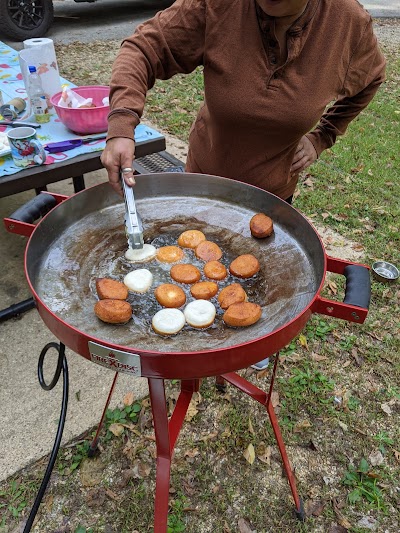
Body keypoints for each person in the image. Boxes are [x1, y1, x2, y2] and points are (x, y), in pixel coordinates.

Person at [101, 0, 385, 369]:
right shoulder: (219, 5)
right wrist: (121, 123)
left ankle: (248, 345)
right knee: (194, 257)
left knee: (256, 280)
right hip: (206, 182)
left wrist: (322, 137)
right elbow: (143, 48)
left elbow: (371, 78)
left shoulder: (346, 23)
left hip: (271, 194)